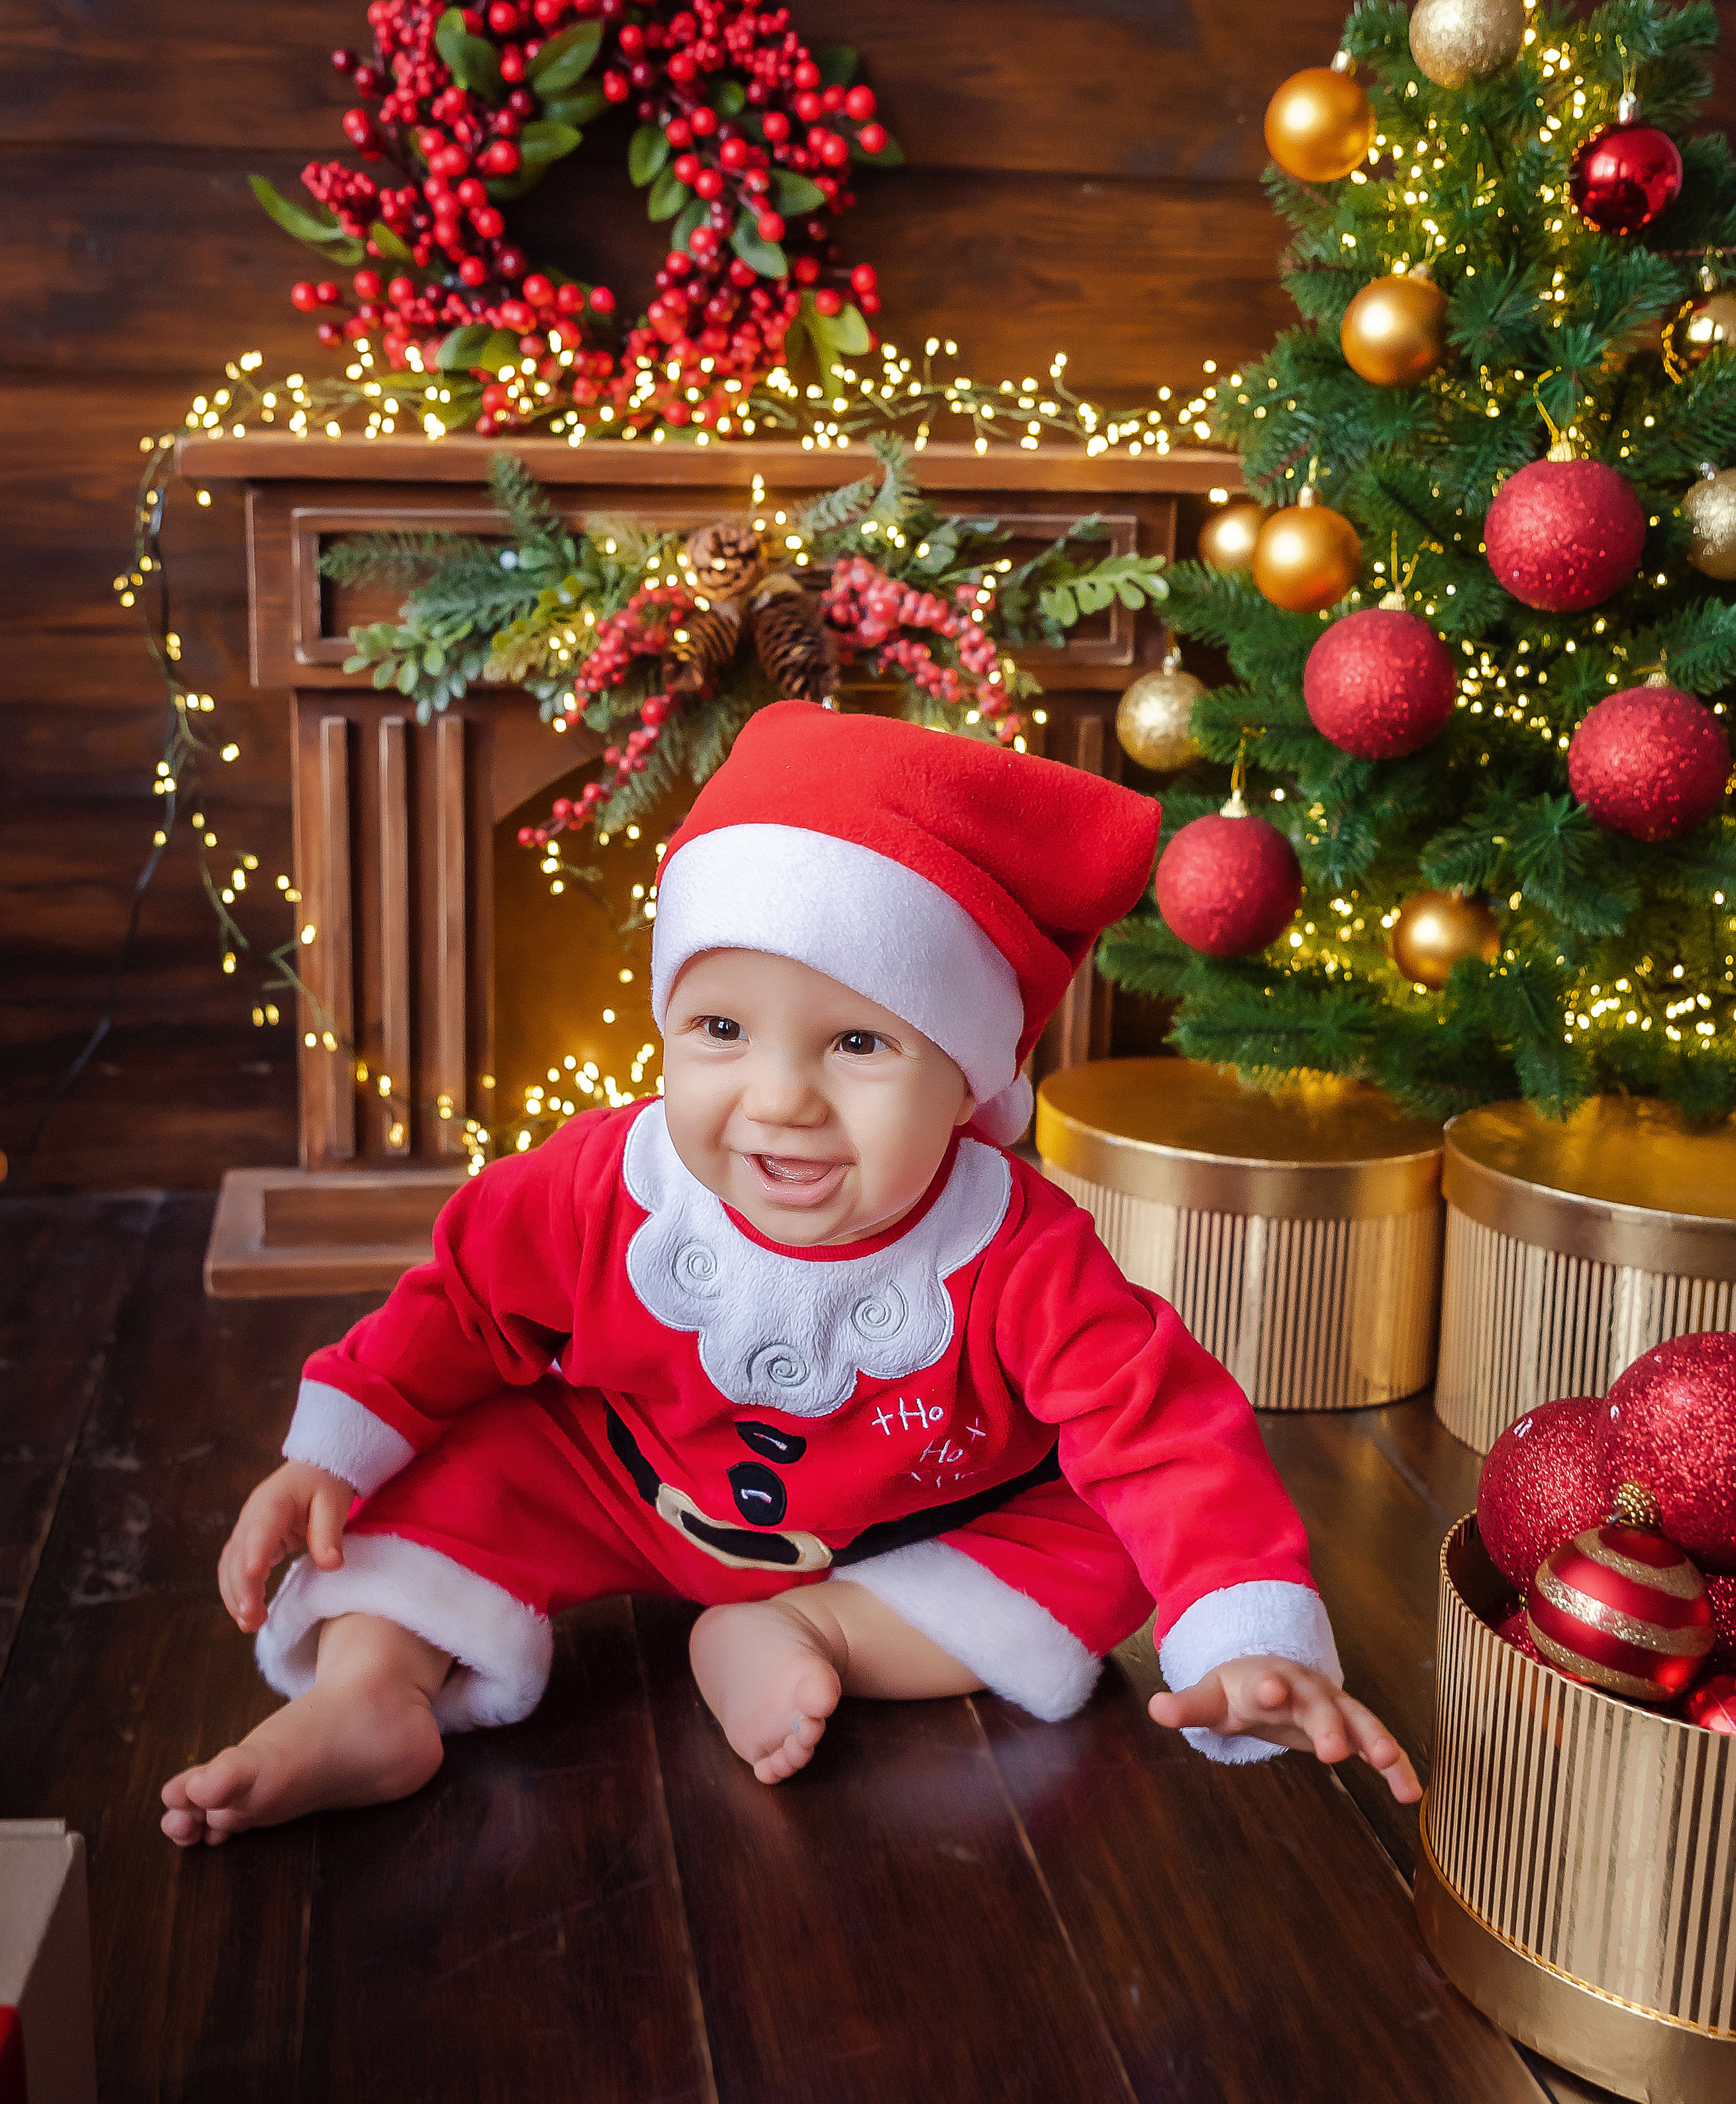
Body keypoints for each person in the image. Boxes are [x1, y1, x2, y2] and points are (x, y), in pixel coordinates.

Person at [162, 703, 1419, 1844]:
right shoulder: (605, 1186)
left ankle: (809, 1630)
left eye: (858, 1042)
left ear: (965, 1078)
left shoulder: (1017, 1250)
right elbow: (461, 1302)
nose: (778, 1098)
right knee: (449, 1460)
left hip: (907, 1525)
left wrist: (1244, 1629)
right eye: (721, 1029)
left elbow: (1161, 1429)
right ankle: (371, 1689)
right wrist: (332, 1450)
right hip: (627, 1481)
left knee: (1108, 1548)